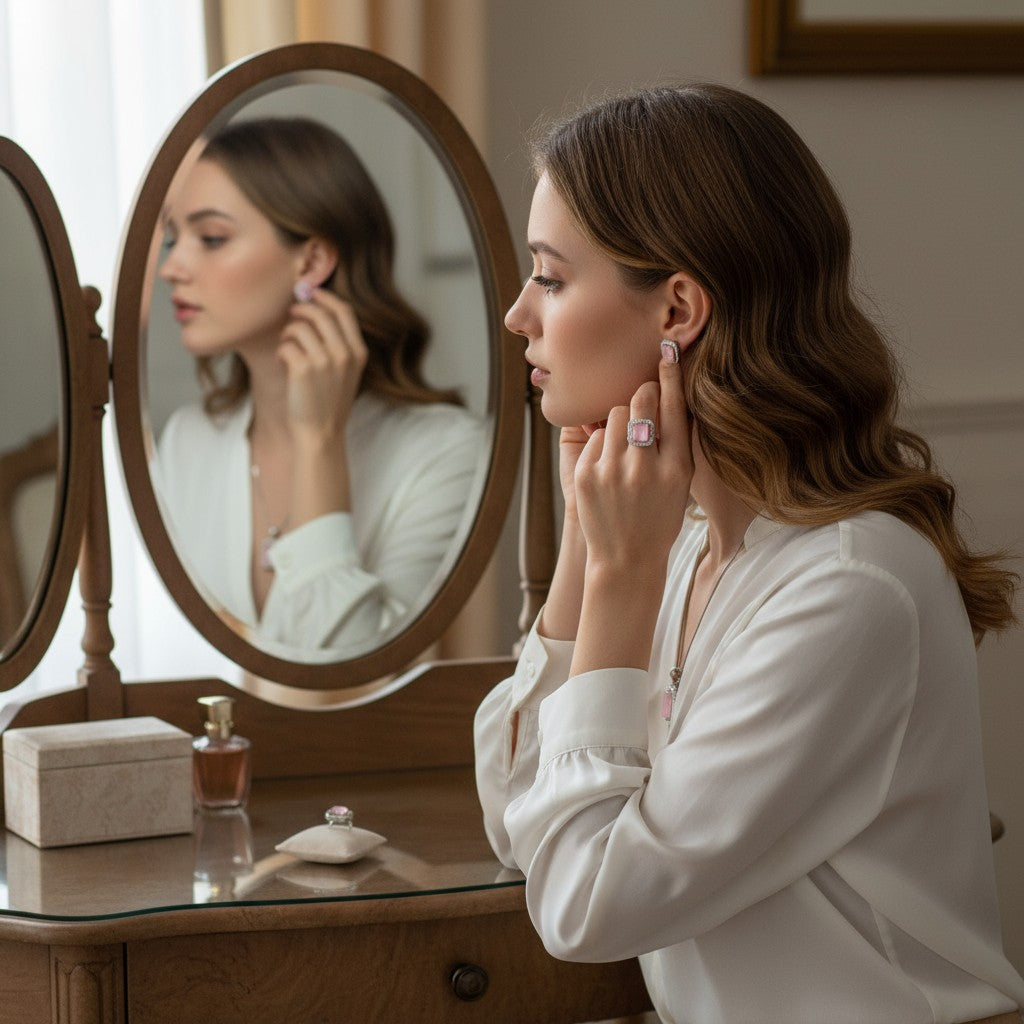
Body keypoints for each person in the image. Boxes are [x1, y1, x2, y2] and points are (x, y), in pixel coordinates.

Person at [474, 84, 1024, 1024]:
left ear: (677, 307)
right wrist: (583, 546)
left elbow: (582, 908)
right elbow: (516, 817)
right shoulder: (687, 547)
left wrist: (618, 577)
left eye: (552, 277)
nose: (520, 313)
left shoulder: (849, 589)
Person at [156, 117, 484, 656]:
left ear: (310, 260)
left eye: (211, 238)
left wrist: (319, 444)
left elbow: (353, 681)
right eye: (173, 237)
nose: (172, 266)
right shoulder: (187, 442)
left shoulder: (443, 451)